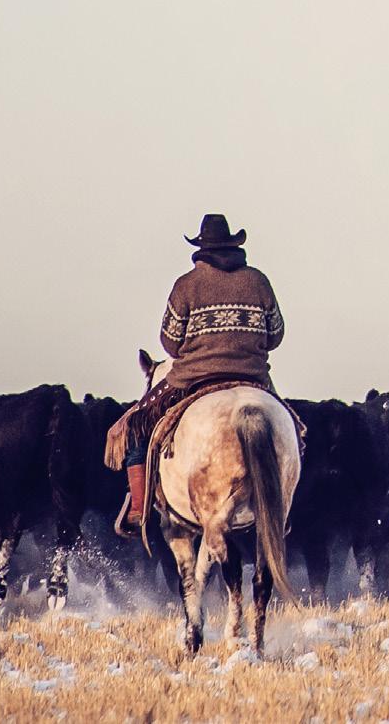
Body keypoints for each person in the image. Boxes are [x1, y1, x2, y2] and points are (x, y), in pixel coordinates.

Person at [112, 213, 285, 537]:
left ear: (201, 248)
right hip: (252, 375)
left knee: (136, 426)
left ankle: (139, 507)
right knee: (294, 431)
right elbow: (276, 334)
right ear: (233, 245)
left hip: (194, 376)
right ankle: (283, 507)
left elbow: (170, 343)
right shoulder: (258, 281)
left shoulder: (186, 285)